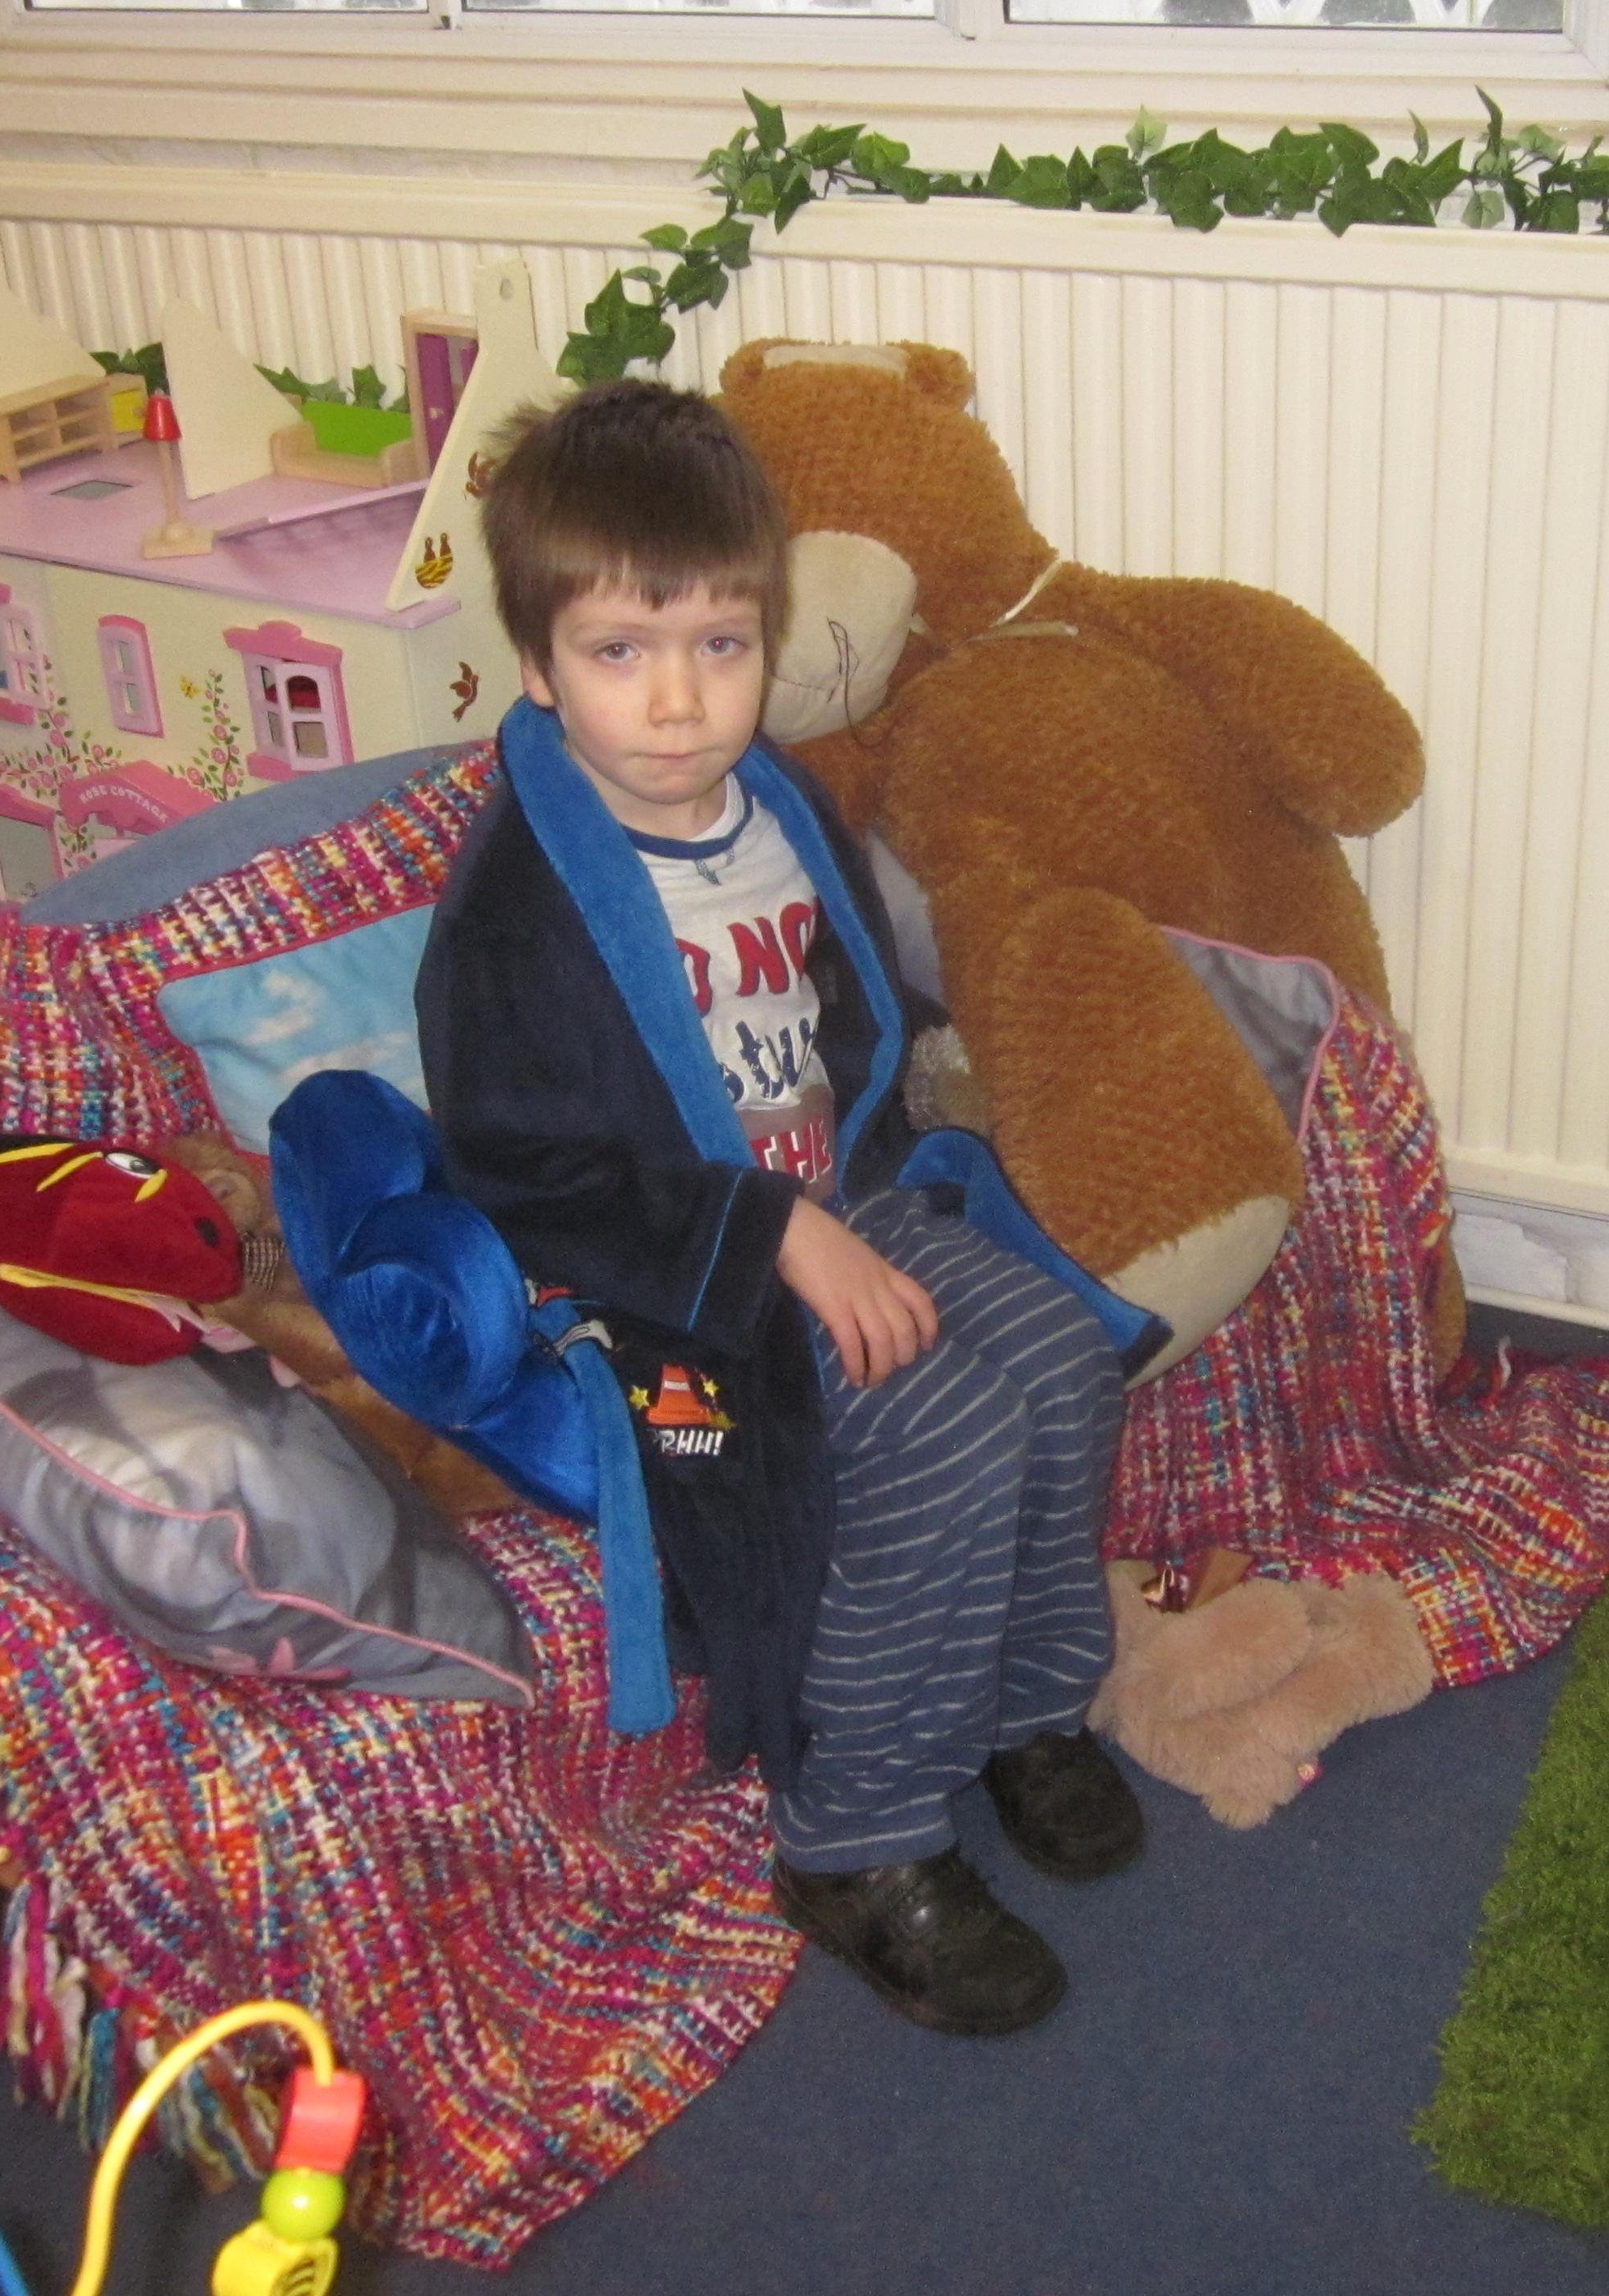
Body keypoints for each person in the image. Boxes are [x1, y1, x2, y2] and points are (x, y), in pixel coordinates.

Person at [415, 379, 1146, 2036]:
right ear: (536, 665)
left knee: (1057, 1354)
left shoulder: (784, 807)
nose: (678, 701)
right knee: (944, 1426)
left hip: (830, 1208)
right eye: (619, 651)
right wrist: (766, 1234)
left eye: (720, 645)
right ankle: (854, 1840)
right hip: (665, 1311)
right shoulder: (519, 909)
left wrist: (861, 1179)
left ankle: (1023, 1707)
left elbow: (845, 1017)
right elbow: (520, 1175)